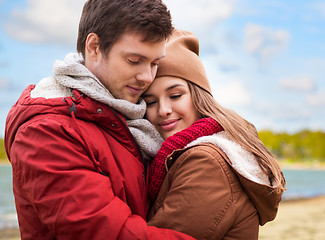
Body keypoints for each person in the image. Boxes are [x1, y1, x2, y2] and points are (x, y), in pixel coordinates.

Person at [4, 1, 195, 239]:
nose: (147, 77)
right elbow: (107, 232)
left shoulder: (131, 116)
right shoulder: (45, 131)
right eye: (134, 60)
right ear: (94, 47)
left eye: (155, 63)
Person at [142, 29, 286, 239]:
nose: (163, 109)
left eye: (175, 95)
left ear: (199, 97)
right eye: (151, 102)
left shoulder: (206, 162)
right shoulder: (187, 154)